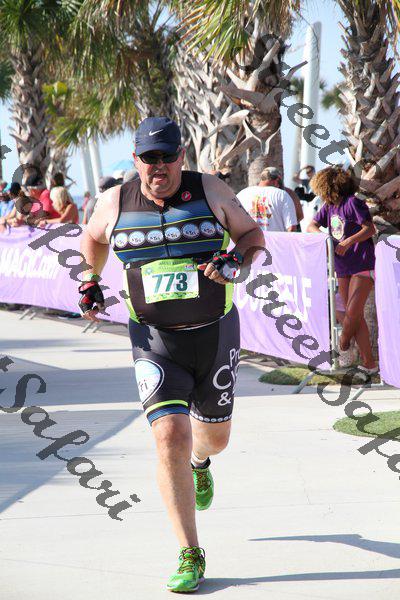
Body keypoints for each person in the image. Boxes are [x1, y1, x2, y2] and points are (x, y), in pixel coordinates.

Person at [79, 116, 264, 593]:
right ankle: (189, 551)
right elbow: (93, 238)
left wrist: (236, 261)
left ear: (181, 155)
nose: (158, 166)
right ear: (136, 159)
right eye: (149, 157)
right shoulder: (115, 201)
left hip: (215, 334)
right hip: (154, 340)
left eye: (167, 156)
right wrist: (89, 279)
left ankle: (200, 464)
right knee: (169, 436)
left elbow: (252, 236)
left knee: (214, 440)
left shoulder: (211, 190)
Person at [307, 166, 377, 374]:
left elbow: (370, 228)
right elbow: (311, 225)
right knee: (355, 317)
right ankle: (369, 364)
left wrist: (347, 242)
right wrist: (325, 239)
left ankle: (342, 345)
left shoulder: (352, 203)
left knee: (353, 313)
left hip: (362, 263)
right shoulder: (328, 207)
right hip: (342, 266)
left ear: (328, 186)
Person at [237, 167, 298, 232]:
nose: (279, 187)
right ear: (276, 181)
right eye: (279, 184)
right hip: (274, 238)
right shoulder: (282, 195)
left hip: (249, 237)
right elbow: (291, 227)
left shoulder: (242, 194)